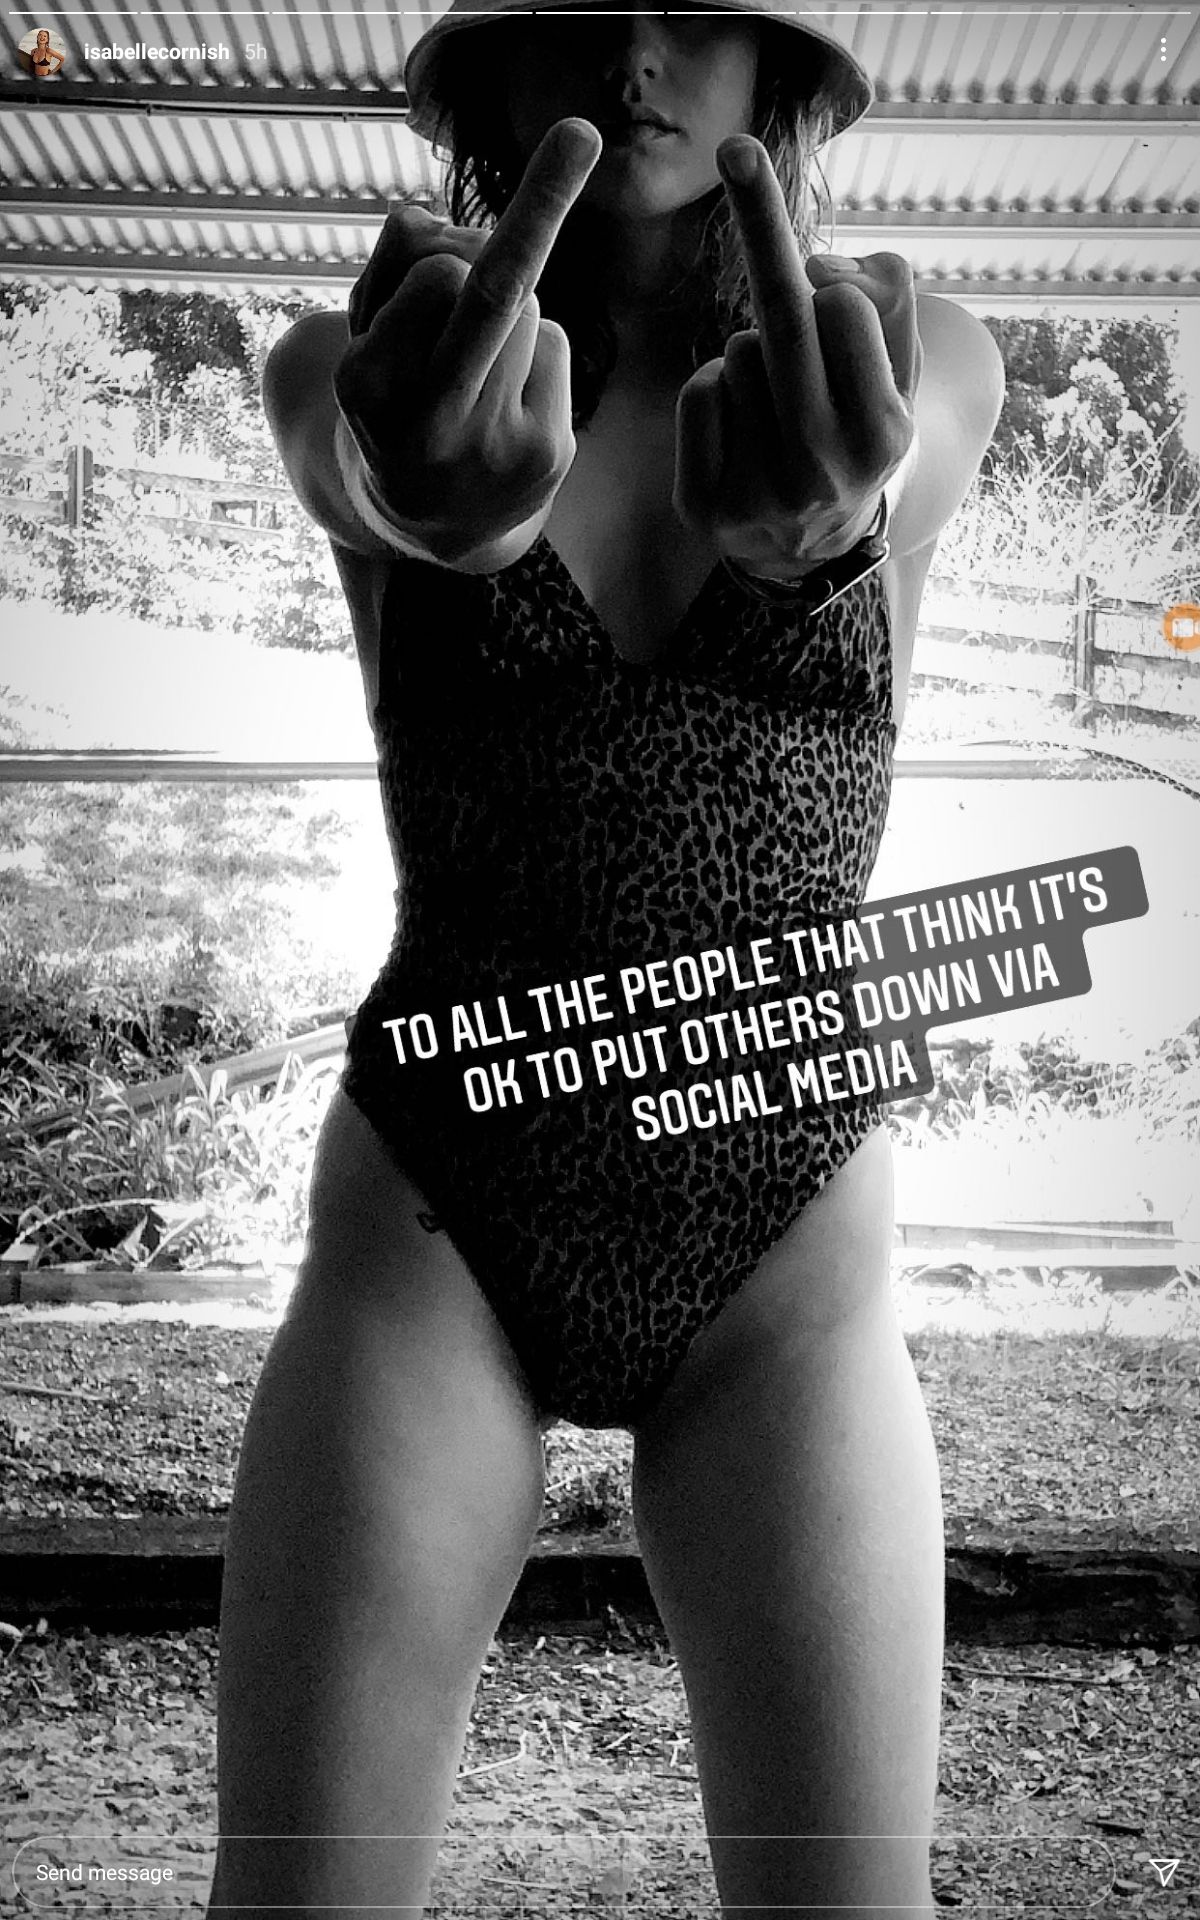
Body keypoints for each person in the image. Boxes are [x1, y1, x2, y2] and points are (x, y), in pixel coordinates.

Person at [208, 3, 1004, 1915]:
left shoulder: (904, 356)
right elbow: (349, 457)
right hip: (438, 1229)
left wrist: (837, 526)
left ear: (776, 70)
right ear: (494, 70)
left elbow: (904, 466)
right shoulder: (369, 362)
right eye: (577, 4)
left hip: (784, 1259)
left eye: (694, 10)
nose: (636, 51)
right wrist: (421, 506)